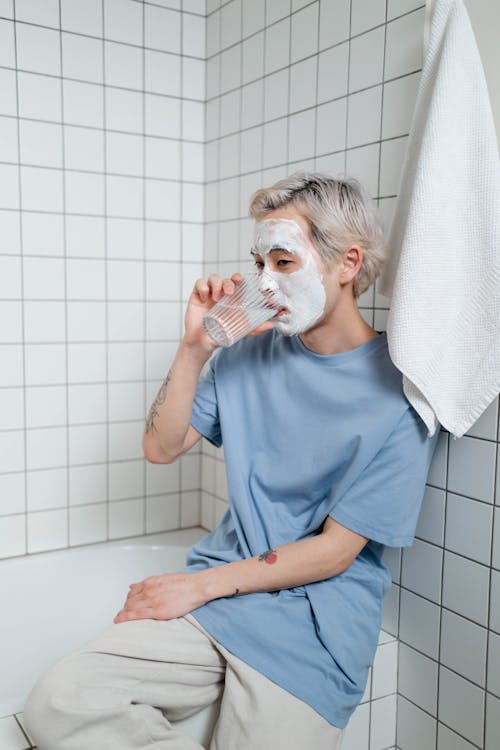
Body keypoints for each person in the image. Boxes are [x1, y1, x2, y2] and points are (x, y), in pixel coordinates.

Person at [23, 173, 440, 750]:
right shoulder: (244, 356)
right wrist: (194, 348)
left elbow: (336, 550)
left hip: (312, 623)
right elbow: (160, 448)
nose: (262, 283)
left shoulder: (401, 396)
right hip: (218, 597)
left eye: (283, 262)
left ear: (347, 264)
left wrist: (199, 588)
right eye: (257, 262)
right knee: (56, 702)